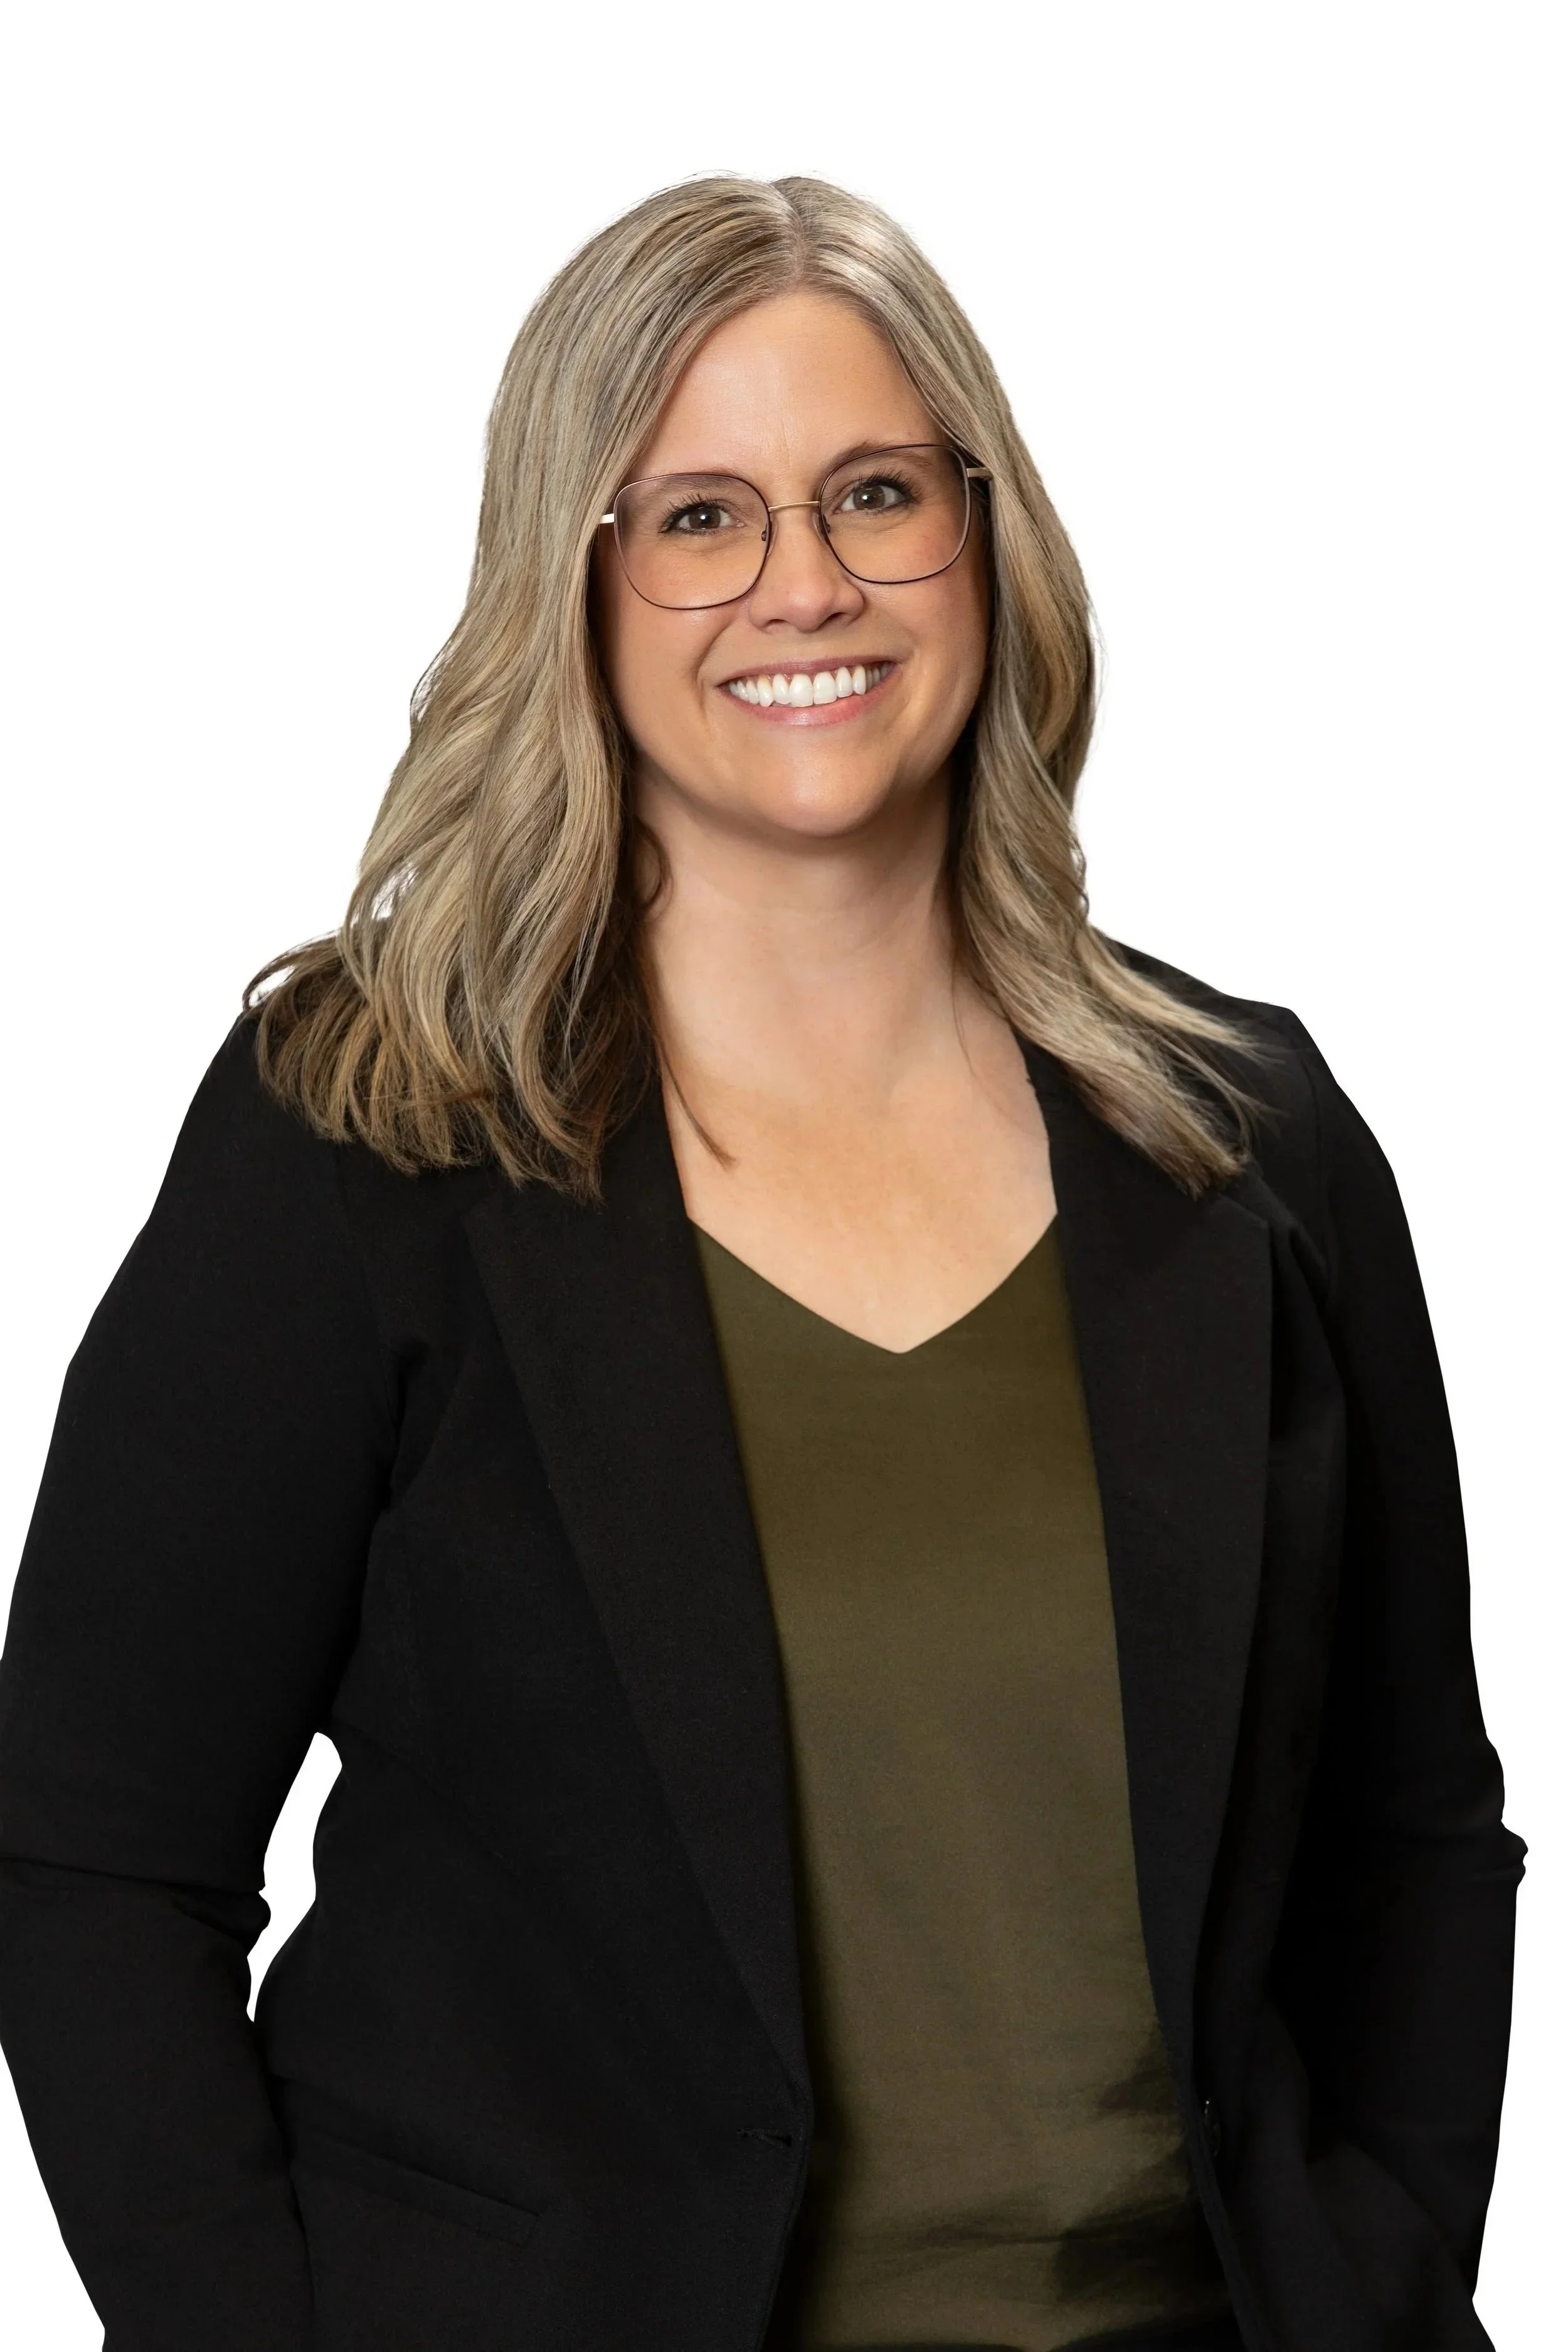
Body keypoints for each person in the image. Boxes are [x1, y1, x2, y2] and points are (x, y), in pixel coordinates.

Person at [0, 175, 1521, 2352]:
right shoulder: (358, 1138)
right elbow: (92, 1861)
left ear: (981, 538)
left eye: (875, 492)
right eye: (698, 515)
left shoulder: (1242, 1139)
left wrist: (1372, 2278)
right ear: (576, 580)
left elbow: (1412, 1837)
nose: (802, 581)